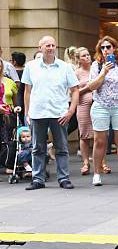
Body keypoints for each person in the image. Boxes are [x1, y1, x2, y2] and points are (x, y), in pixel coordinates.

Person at [22, 35, 79, 190]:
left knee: (62, 147)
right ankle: (38, 179)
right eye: (47, 45)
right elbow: (27, 91)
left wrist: (71, 110)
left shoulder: (65, 67)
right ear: (40, 48)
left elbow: (75, 90)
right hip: (37, 113)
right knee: (37, 148)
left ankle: (64, 178)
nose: (51, 48)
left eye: (53, 45)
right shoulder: (31, 66)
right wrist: (27, 112)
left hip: (59, 113)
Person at [88, 36, 118, 186]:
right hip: (101, 105)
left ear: (114, 48)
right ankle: (96, 173)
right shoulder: (97, 65)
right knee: (100, 141)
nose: (106, 50)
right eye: (103, 47)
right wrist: (103, 72)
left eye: (109, 47)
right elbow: (92, 86)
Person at [74, 47, 95, 175]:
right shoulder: (76, 73)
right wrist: (88, 88)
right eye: (84, 56)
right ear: (79, 59)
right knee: (84, 135)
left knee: (99, 134)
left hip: (98, 104)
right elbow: (74, 92)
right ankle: (86, 162)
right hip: (82, 105)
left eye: (88, 54)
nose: (87, 57)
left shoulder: (96, 69)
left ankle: (102, 162)